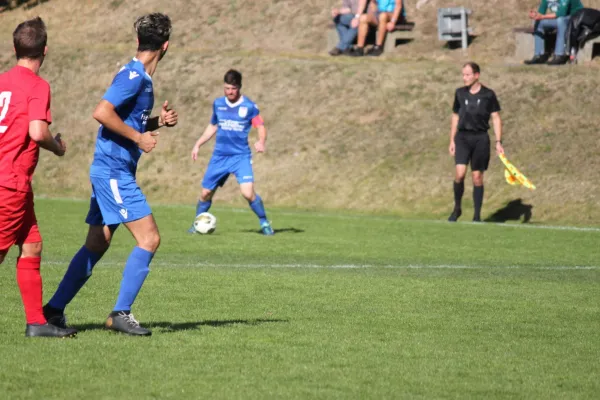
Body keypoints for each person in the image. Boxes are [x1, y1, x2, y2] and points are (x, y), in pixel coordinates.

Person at [43, 13, 178, 336]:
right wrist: (139, 139)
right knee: (150, 238)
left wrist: (157, 123)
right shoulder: (133, 77)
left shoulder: (140, 78)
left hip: (111, 170)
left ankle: (52, 310)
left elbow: (125, 120)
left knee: (97, 242)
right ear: (166, 46)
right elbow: (101, 112)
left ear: (138, 42)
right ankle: (120, 313)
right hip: (114, 172)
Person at [0, 17, 76, 338]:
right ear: (44, 51)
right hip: (10, 184)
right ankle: (36, 322)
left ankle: (37, 323)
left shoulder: (2, 80)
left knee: (32, 246)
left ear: (15, 48)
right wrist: (57, 147)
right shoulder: (37, 85)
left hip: (16, 183)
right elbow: (37, 131)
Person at [189, 69, 274, 236]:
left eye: (233, 88)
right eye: (227, 88)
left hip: (240, 156)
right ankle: (197, 223)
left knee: (248, 193)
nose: (230, 92)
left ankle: (264, 222)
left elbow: (260, 126)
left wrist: (261, 141)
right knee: (205, 193)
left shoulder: (249, 106)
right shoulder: (218, 104)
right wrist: (198, 144)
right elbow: (213, 125)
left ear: (239, 87)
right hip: (219, 156)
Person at [448, 62, 504, 222]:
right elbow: (455, 116)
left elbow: (496, 118)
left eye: (467, 74)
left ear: (476, 75)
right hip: (463, 138)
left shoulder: (488, 95)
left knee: (477, 177)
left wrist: (498, 141)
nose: (464, 78)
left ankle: (477, 216)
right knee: (459, 174)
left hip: (480, 138)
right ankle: (457, 208)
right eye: (463, 74)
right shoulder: (459, 93)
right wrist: (452, 140)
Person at [524, 0, 584, 65]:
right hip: (562, 19)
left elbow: (561, 13)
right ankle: (539, 56)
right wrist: (535, 15)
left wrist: (542, 16)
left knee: (560, 20)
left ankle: (559, 56)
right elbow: (541, 13)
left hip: (576, 19)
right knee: (539, 22)